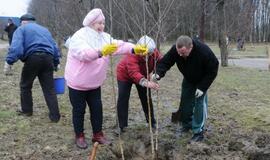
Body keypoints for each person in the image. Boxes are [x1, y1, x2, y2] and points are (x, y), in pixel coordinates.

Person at [64, 8, 148, 149]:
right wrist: (100, 52)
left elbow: (119, 45)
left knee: (97, 109)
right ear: (91, 23)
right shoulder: (79, 36)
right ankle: (79, 135)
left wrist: (135, 49)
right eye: (98, 23)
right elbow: (83, 54)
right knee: (79, 110)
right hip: (77, 83)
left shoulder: (104, 37)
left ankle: (98, 134)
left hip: (94, 83)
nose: (101, 26)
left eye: (103, 23)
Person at [152, 35, 219, 142]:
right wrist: (158, 73)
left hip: (202, 80)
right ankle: (187, 124)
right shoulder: (176, 50)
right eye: (178, 52)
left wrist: (202, 87)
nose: (180, 55)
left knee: (199, 104)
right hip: (188, 78)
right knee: (185, 102)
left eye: (183, 53)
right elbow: (166, 62)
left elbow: (213, 70)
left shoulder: (203, 51)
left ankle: (198, 131)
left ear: (191, 47)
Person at [4, 13, 61, 122]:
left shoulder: (21, 29)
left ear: (23, 22)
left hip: (33, 58)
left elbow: (16, 47)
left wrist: (9, 61)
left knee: (25, 85)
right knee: (49, 89)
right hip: (48, 58)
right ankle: (55, 116)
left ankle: (27, 110)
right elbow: (54, 46)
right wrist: (56, 61)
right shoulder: (45, 30)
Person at [116, 35, 161, 133]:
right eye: (144, 53)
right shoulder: (132, 53)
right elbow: (133, 72)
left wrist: (155, 74)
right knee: (123, 98)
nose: (147, 56)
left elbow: (161, 62)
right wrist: (146, 83)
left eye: (149, 53)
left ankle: (151, 122)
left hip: (143, 75)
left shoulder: (154, 52)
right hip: (125, 75)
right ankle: (122, 126)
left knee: (146, 98)